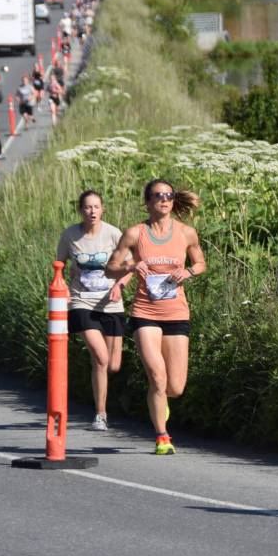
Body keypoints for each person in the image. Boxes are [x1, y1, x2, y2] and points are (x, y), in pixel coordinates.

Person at [105, 180, 206, 455]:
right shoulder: (135, 234)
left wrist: (188, 272)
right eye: (157, 196)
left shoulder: (186, 233)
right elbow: (110, 268)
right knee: (158, 378)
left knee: (175, 386)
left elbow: (200, 262)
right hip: (144, 312)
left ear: (173, 201)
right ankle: (162, 436)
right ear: (147, 202)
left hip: (176, 313)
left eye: (168, 195)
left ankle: (161, 401)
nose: (164, 199)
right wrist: (131, 265)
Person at [57, 191, 126, 431]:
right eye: (87, 207)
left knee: (113, 365)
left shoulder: (114, 233)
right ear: (80, 210)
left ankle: (102, 400)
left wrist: (120, 284)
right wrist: (62, 286)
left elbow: (129, 265)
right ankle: (100, 414)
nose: (92, 211)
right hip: (81, 301)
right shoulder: (70, 235)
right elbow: (58, 266)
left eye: (96, 207)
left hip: (111, 303)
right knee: (100, 357)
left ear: (103, 209)